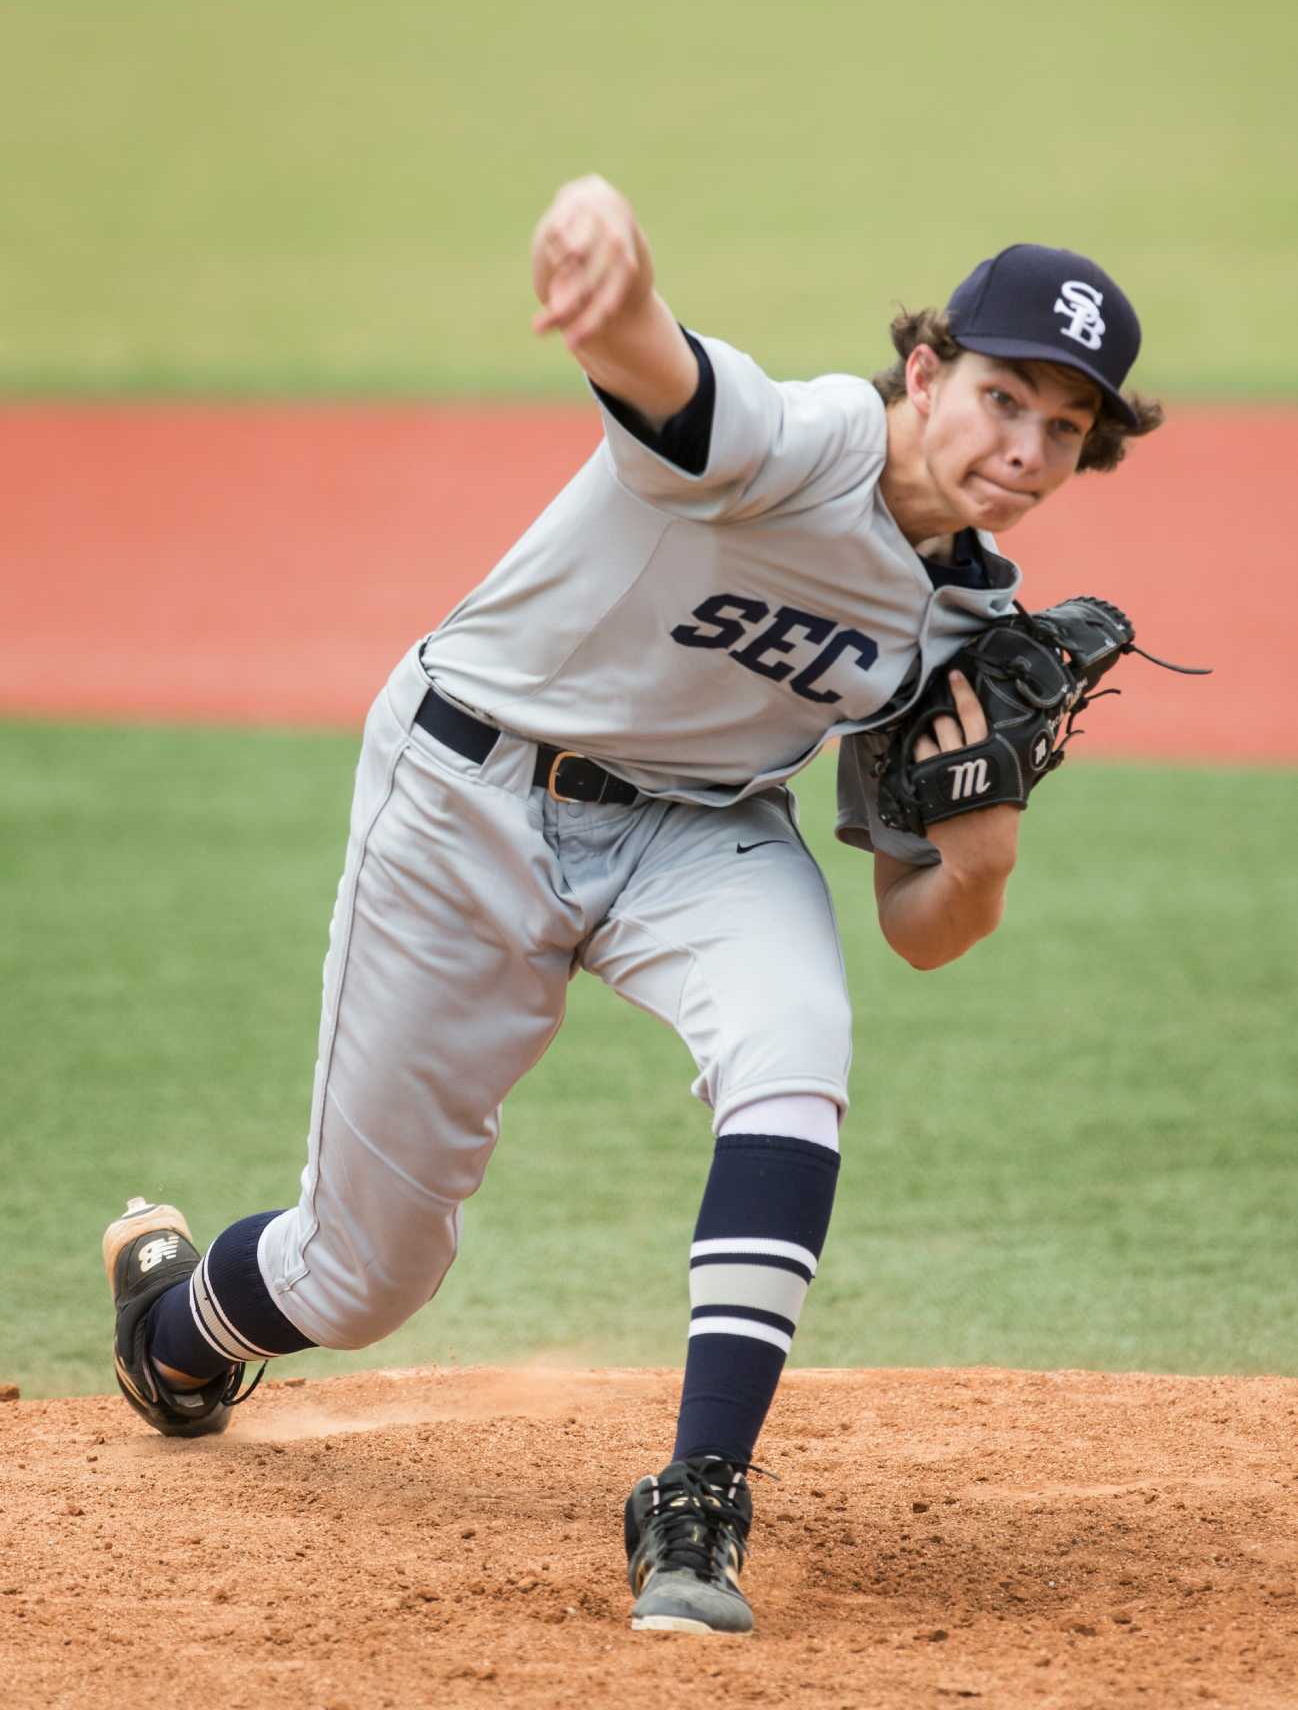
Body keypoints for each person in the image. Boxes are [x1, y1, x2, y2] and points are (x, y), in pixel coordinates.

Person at [102, 176, 1162, 1635]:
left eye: (1065, 428)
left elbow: (921, 929)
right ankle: (174, 1325)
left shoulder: (972, 620)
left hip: (699, 831)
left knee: (797, 1048)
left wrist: (980, 862)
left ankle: (698, 1496)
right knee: (364, 1276)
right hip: (467, 795)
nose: (1027, 447)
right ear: (925, 373)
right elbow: (664, 376)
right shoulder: (799, 446)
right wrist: (611, 275)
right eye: (1003, 399)